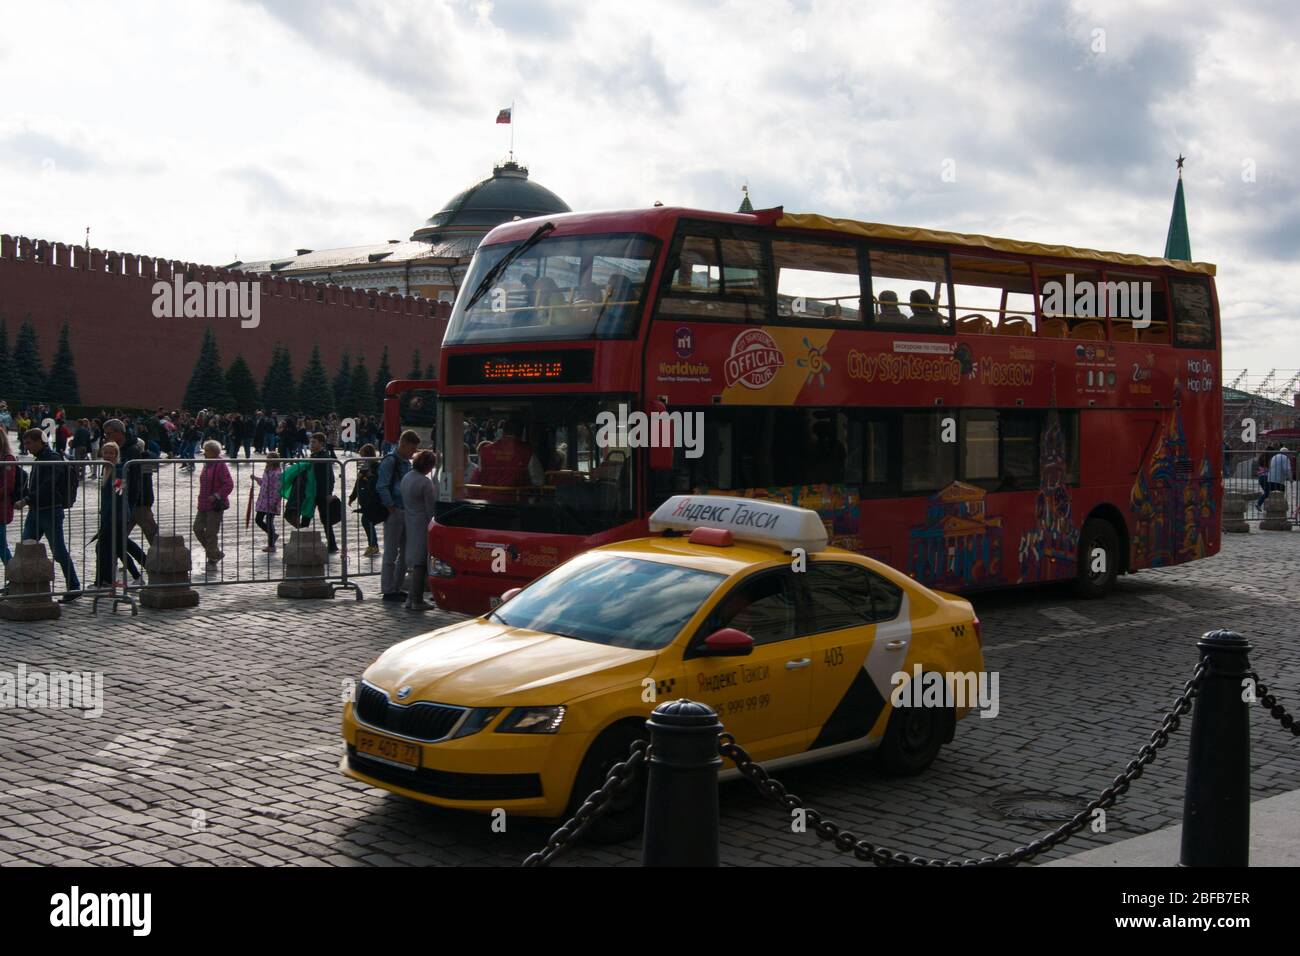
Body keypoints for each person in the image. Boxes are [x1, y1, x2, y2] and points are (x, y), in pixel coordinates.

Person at [17, 428, 81, 599]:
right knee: (25, 548)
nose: (27, 447)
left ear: (40, 441)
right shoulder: (40, 458)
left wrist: (27, 499)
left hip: (50, 511)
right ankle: (16, 584)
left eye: (29, 443)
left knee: (59, 551)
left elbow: (48, 485)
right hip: (36, 511)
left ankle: (74, 586)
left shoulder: (52, 459)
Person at [92, 442, 143, 586]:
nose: (108, 455)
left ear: (116, 455)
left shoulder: (119, 470)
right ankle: (107, 579)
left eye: (111, 453)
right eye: (105, 452)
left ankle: (106, 580)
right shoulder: (106, 469)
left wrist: (113, 516)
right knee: (119, 547)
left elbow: (120, 494)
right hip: (109, 515)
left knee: (113, 547)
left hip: (117, 516)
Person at [376, 430, 419, 602]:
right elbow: (382, 485)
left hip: (406, 510)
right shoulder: (390, 461)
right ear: (403, 444)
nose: (413, 452)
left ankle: (397, 586)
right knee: (391, 552)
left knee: (404, 552)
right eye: (412, 448)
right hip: (395, 511)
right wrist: (390, 506)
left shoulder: (405, 462)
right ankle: (388, 589)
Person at [104, 419, 158, 550]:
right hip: (126, 501)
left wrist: (122, 497)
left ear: (119, 433)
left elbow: (131, 479)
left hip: (138, 501)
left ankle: (163, 562)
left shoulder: (132, 450)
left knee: (153, 536)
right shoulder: (117, 448)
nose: (106, 437)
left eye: (108, 433)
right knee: (117, 540)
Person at [400, 449, 439, 610]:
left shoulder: (407, 477)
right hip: (422, 522)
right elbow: (430, 508)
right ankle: (417, 599)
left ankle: (411, 598)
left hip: (410, 519)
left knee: (414, 560)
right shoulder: (425, 482)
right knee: (420, 562)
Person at [194, 440, 233, 571]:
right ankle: (215, 552)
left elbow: (229, 484)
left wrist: (216, 495)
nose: (204, 453)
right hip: (203, 503)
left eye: (206, 451)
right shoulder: (207, 464)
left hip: (214, 504)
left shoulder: (220, 464)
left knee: (211, 532)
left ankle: (212, 558)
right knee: (197, 528)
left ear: (213, 452)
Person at [348, 443, 381, 556]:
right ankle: (373, 545)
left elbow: (374, 482)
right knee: (367, 521)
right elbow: (358, 483)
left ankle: (374, 545)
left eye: (362, 455)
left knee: (367, 520)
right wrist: (352, 497)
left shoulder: (375, 467)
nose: (361, 458)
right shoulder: (364, 468)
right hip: (366, 500)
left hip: (373, 500)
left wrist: (368, 477)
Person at [309, 432, 338, 552]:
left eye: (314, 442)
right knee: (307, 516)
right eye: (311, 442)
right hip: (313, 492)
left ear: (321, 443)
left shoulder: (323, 455)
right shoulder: (315, 455)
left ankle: (332, 545)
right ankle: (301, 541)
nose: (311, 444)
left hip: (321, 492)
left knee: (325, 519)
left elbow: (330, 476)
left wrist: (329, 492)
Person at [251, 452, 283, 553]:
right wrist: (256, 479)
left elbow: (277, 489)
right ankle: (273, 536)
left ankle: (271, 545)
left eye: (270, 458)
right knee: (258, 520)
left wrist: (274, 502)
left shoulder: (277, 473)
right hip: (264, 500)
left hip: (272, 501)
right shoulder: (268, 471)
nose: (267, 460)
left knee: (269, 522)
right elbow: (264, 483)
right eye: (267, 458)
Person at [0, 428, 17, 567]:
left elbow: (9, 486)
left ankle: (14, 576)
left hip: (1, 507)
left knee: (1, 545)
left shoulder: (8, 459)